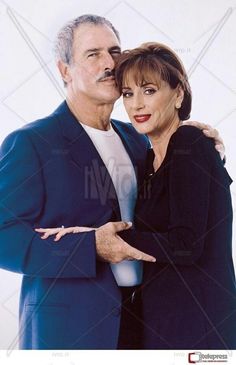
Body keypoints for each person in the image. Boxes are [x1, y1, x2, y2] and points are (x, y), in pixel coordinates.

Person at [0, 15, 224, 350]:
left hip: (148, 325)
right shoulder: (32, 142)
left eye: (114, 51)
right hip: (72, 329)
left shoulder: (140, 139)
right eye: (93, 54)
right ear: (64, 70)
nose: (110, 63)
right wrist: (88, 247)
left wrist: (201, 146)